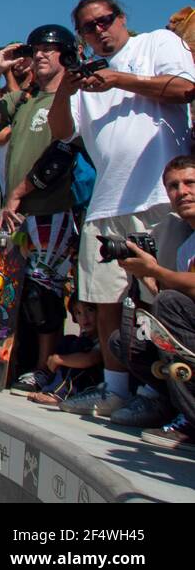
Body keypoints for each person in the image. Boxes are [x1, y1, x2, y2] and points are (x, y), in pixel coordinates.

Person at [49, 0, 195, 418]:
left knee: (157, 297)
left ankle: (159, 396)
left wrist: (118, 80)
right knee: (106, 300)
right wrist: (66, 91)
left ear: (122, 18)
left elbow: (186, 89)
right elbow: (62, 132)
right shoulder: (83, 78)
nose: (99, 31)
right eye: (88, 28)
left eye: (105, 20)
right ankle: (115, 391)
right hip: (106, 203)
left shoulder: (155, 44)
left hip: (158, 195)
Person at [0, 25, 81, 393]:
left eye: (48, 50)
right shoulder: (25, 99)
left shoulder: (74, 97)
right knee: (9, 291)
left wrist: (19, 192)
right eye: (35, 50)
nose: (39, 55)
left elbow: (63, 154)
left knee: (44, 293)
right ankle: (10, 361)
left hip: (51, 207)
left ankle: (46, 368)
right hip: (16, 212)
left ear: (67, 55)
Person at [105, 156, 195, 444]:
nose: (181, 192)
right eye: (173, 186)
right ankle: (175, 406)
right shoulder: (186, 243)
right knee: (126, 341)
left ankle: (192, 421)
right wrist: (145, 276)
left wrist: (156, 270)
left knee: (168, 302)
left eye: (190, 183)